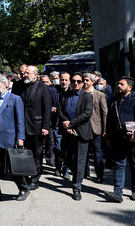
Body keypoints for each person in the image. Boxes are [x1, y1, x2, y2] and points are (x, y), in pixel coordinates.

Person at [0, 74, 29, 202]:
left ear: (5, 84)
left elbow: (20, 120)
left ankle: (24, 188)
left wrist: (20, 138)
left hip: (8, 139)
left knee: (13, 168)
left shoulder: (15, 99)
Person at [104, 76, 135, 203]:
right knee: (119, 165)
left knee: (134, 165)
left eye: (121, 84)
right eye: (118, 84)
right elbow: (110, 120)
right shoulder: (114, 100)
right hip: (118, 139)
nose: (118, 86)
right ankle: (118, 192)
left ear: (130, 87)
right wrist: (107, 136)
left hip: (132, 139)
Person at [57, 72, 93, 200]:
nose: (75, 83)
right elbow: (59, 109)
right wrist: (66, 123)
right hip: (67, 132)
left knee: (80, 160)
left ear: (83, 83)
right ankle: (78, 172)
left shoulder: (87, 96)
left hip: (81, 132)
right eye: (73, 81)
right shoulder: (65, 95)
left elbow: (87, 113)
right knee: (66, 156)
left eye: (78, 81)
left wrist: (71, 123)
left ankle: (76, 187)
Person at [19, 65, 52, 190]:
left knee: (37, 154)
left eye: (28, 73)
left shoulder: (43, 87)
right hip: (23, 125)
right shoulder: (21, 86)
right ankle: (26, 176)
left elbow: (47, 109)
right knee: (25, 153)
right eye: (24, 73)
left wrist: (45, 127)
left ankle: (35, 179)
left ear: (35, 75)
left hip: (37, 126)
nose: (25, 75)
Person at [84, 73, 107, 184]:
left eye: (87, 80)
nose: (85, 82)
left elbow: (104, 113)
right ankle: (85, 171)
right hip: (83, 128)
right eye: (84, 80)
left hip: (96, 127)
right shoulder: (81, 93)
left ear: (92, 82)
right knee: (84, 152)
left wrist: (105, 129)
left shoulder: (99, 95)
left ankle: (99, 175)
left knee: (97, 152)